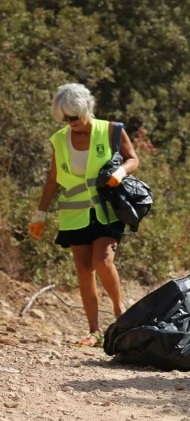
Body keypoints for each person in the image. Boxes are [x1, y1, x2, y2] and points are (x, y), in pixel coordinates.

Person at [28, 83, 139, 347]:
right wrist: (39, 214)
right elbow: (54, 179)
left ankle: (119, 310)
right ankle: (94, 331)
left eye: (73, 117)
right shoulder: (60, 139)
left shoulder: (112, 130)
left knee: (102, 260)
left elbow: (132, 158)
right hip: (74, 213)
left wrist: (120, 173)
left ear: (86, 109)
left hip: (108, 210)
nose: (69, 122)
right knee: (83, 269)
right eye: (63, 118)